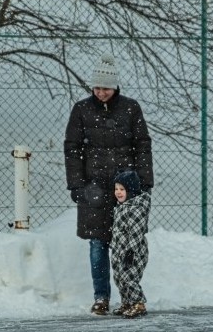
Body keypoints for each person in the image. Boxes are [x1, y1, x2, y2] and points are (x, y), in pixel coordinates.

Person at [64, 54, 154, 315]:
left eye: (105, 88)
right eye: (96, 88)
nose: (100, 92)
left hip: (126, 187)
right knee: (97, 242)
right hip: (94, 188)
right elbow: (72, 148)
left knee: (129, 244)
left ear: (115, 87)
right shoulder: (82, 110)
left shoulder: (130, 108)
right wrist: (77, 185)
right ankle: (101, 296)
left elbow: (142, 145)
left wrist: (143, 182)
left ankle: (131, 296)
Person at [109, 170, 152, 318]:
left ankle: (138, 303)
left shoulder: (136, 209)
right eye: (116, 189)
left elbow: (135, 232)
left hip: (134, 250)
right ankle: (127, 302)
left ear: (131, 190)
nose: (118, 193)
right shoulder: (122, 206)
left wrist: (130, 251)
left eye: (122, 189)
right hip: (119, 249)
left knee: (129, 277)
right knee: (119, 277)